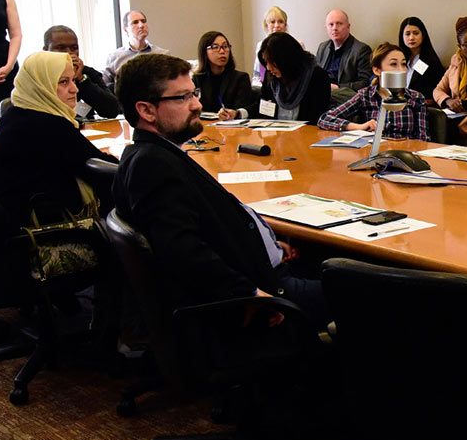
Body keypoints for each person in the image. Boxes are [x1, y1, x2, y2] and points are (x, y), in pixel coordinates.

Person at [112, 53, 328, 324]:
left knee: (331, 261)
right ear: (146, 110)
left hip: (262, 268)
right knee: (378, 291)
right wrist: (248, 292)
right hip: (263, 293)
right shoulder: (152, 165)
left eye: (194, 93)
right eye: (182, 98)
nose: (197, 105)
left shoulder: (157, 153)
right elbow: (181, 251)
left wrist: (265, 244)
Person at [0, 51, 116, 224]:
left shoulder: (14, 114)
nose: (74, 89)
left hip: (13, 226)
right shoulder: (49, 125)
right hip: (45, 232)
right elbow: (100, 167)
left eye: (73, 80)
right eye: (63, 82)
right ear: (41, 85)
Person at [318, 42, 429, 141]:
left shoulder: (416, 98)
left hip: (405, 156)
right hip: (373, 154)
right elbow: (325, 119)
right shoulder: (365, 95)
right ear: (377, 70)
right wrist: (359, 127)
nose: (401, 70)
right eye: (394, 64)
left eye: (404, 64)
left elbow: (423, 139)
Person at [44, 25, 120, 120]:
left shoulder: (87, 73)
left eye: (74, 48)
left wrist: (82, 80)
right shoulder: (39, 75)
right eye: (61, 48)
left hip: (87, 130)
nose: (69, 53)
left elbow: (112, 111)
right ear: (46, 50)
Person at [258, 32, 332, 123]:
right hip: (274, 133)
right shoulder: (271, 77)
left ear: (284, 59)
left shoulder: (317, 76)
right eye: (266, 62)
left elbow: (317, 118)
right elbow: (263, 109)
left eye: (272, 62)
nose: (268, 68)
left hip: (306, 133)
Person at [193, 31, 259, 120]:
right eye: (215, 47)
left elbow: (240, 109)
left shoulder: (240, 78)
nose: (222, 51)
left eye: (225, 46)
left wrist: (232, 113)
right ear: (204, 51)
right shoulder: (197, 79)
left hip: (231, 128)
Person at [314, 9, 372, 103]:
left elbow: (365, 83)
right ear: (326, 27)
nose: (334, 28)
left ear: (348, 27)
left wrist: (337, 87)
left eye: (339, 24)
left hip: (345, 98)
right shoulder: (323, 47)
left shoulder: (361, 50)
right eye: (331, 24)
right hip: (322, 93)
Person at [102, 10, 168, 88]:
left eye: (143, 21)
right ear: (126, 29)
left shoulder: (162, 55)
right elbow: (103, 84)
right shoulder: (114, 57)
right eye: (135, 22)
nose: (141, 25)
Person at [397, 16, 445, 99]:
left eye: (416, 33)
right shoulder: (399, 59)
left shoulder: (430, 61)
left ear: (423, 35)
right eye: (407, 34)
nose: (411, 37)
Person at [253, 5, 291, 84]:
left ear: (285, 25)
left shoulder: (294, 44)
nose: (277, 25)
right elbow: (258, 74)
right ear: (266, 26)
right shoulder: (261, 46)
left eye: (280, 22)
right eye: (272, 22)